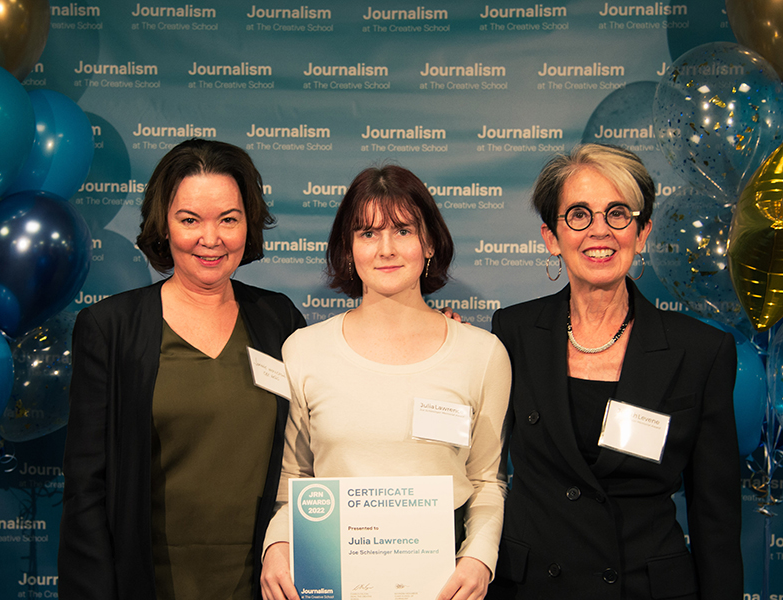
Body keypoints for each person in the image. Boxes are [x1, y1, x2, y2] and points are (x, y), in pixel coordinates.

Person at [487, 144, 742, 600]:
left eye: (618, 213)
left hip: (643, 589)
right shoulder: (513, 333)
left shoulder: (700, 351)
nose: (599, 231)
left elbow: (715, 517)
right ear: (551, 237)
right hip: (532, 588)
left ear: (642, 233)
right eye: (579, 215)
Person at [58, 138, 306, 600]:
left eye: (228, 220)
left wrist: (427, 330)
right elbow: (86, 487)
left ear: (247, 225)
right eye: (189, 219)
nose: (210, 239)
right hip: (147, 580)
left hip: (265, 581)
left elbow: (324, 421)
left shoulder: (279, 318)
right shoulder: (110, 328)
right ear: (163, 225)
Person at [259, 165, 511, 600]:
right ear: (348, 247)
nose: (386, 249)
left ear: (429, 242)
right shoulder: (303, 350)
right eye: (368, 233)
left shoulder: (483, 354)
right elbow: (293, 478)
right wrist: (277, 545)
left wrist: (479, 559)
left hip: (443, 585)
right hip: (330, 580)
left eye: (403, 230)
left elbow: (487, 480)